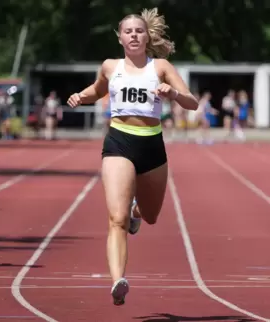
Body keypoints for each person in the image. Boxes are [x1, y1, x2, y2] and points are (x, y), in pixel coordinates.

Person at [67, 8, 198, 305]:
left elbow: (193, 102)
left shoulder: (161, 66)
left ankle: (138, 212)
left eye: (139, 31)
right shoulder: (110, 67)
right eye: (128, 31)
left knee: (149, 216)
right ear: (120, 38)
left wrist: (173, 94)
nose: (134, 35)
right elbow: (96, 91)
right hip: (118, 142)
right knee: (117, 217)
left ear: (147, 35)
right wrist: (80, 96)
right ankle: (118, 281)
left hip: (152, 145)